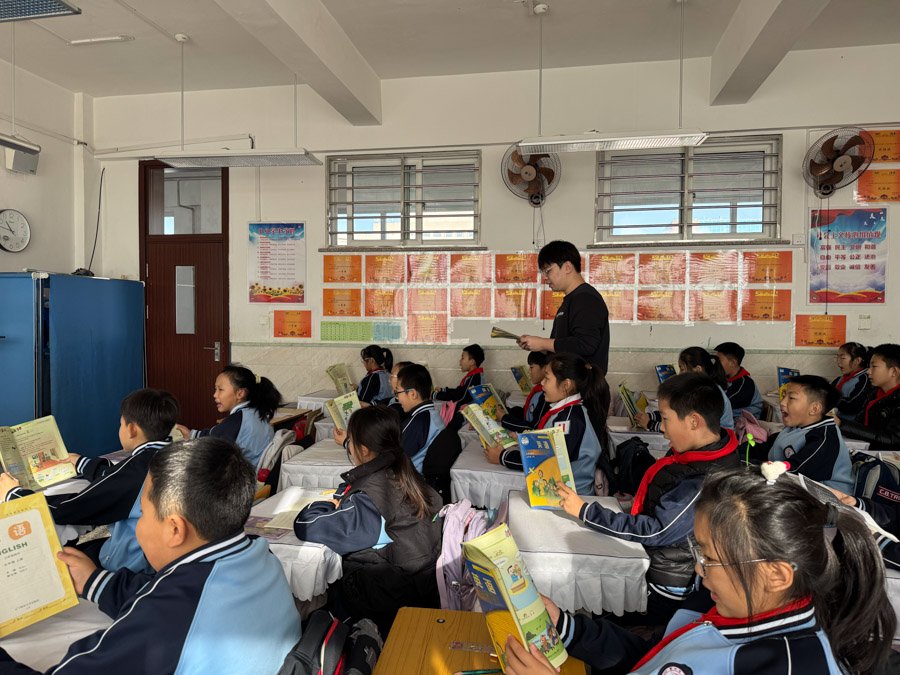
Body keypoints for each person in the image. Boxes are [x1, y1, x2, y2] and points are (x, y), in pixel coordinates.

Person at [504, 465, 895, 675]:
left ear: (776, 574)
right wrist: (567, 627)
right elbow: (659, 657)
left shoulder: (792, 664)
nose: (698, 567)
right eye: (700, 550)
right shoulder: (715, 602)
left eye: (709, 556)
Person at [0, 437, 302, 674]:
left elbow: (168, 612)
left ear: (175, 529)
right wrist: (94, 581)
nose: (140, 523)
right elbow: (170, 593)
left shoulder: (167, 622)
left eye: (142, 513)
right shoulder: (260, 555)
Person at [555, 372, 740, 625]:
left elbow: (656, 530)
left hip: (666, 582)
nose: (661, 427)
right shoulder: (701, 454)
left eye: (665, 419)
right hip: (657, 560)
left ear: (694, 421)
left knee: (597, 608)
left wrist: (585, 511)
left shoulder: (706, 479)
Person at [294, 406, 442, 635]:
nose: (348, 446)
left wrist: (328, 505)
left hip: (384, 602)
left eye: (350, 441)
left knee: (308, 597)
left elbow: (306, 525)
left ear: (363, 449)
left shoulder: (371, 503)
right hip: (419, 589)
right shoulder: (406, 474)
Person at [0, 388, 178, 573]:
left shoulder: (136, 469)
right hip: (167, 552)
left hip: (133, 564)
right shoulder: (173, 454)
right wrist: (83, 464)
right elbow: (116, 478)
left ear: (131, 429)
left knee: (60, 556)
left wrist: (14, 494)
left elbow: (66, 510)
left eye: (121, 424)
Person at [485, 353, 609, 496]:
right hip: (562, 491)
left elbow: (547, 462)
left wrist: (502, 457)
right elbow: (548, 446)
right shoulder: (566, 411)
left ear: (566, 385)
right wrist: (523, 442)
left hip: (571, 496)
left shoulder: (568, 420)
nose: (542, 383)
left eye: (547, 378)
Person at [517, 240, 610, 376]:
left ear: (567, 267)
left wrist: (543, 343)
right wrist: (539, 346)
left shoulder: (585, 298)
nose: (545, 278)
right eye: (543, 272)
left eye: (548, 271)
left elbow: (585, 345)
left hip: (583, 385)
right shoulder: (571, 299)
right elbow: (568, 349)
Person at [751, 375, 852, 493]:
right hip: (792, 488)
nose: (782, 402)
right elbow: (766, 449)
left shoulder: (825, 439)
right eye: (784, 396)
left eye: (791, 398)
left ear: (814, 409)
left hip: (827, 497)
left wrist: (754, 467)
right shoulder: (794, 429)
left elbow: (796, 470)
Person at [177, 363, 281, 468]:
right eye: (215, 389)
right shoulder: (256, 413)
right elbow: (215, 433)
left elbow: (211, 444)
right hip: (258, 473)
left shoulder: (236, 421)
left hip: (242, 475)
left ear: (240, 393)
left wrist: (190, 438)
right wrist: (191, 434)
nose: (215, 395)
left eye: (220, 390)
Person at [637, 346, 734, 432]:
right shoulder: (697, 390)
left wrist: (650, 424)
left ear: (698, 370)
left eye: (682, 369)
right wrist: (650, 416)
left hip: (719, 443)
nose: (680, 374)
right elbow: (677, 412)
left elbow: (685, 429)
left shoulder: (710, 394)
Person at [833, 343, 900, 449]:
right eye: (869, 366)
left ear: (894, 372)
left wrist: (841, 424)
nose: (868, 371)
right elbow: (859, 424)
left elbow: (893, 440)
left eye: (874, 366)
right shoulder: (875, 394)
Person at [395, 364, 445, 472]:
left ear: (413, 394)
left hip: (411, 478)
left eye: (398, 392)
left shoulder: (418, 422)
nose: (397, 398)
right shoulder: (433, 415)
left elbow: (394, 457)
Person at [432, 344, 485, 432]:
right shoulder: (473, 376)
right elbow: (460, 391)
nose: (460, 362)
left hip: (471, 411)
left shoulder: (474, 378)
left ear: (472, 362)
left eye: (462, 358)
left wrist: (437, 395)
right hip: (469, 408)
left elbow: (461, 397)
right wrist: (443, 390)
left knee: (449, 427)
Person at [500, 351, 550, 433]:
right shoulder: (537, 390)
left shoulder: (546, 396)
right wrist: (506, 411)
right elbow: (526, 413)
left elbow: (533, 428)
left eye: (531, 367)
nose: (529, 371)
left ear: (545, 369)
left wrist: (504, 418)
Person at [715, 341, 763, 421]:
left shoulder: (745, 384)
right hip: (729, 420)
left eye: (719, 361)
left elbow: (722, 405)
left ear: (732, 363)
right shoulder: (725, 378)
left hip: (743, 424)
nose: (716, 364)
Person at [831, 342, 871, 422]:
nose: (838, 361)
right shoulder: (841, 378)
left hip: (852, 425)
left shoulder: (864, 379)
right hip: (837, 421)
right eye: (837, 357)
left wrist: (830, 399)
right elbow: (826, 392)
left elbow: (853, 405)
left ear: (857, 360)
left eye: (842, 358)